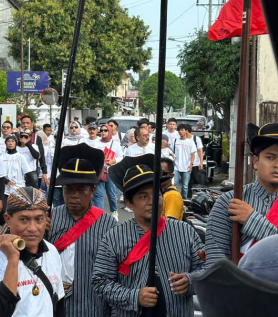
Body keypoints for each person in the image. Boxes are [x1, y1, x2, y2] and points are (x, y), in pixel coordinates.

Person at [92, 155, 205, 317]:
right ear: (130, 203)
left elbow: (207, 268)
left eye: (156, 195)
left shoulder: (185, 232)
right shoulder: (114, 237)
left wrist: (190, 280)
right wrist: (134, 296)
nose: (152, 202)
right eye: (143, 197)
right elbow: (100, 282)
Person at [0, 187, 65, 316]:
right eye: (24, 219)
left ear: (46, 219)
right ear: (7, 219)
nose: (32, 228)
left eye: (39, 219)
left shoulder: (51, 251)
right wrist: (12, 259)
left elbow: (58, 303)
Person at [49, 147, 117, 317]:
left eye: (81, 190)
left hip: (91, 303)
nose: (74, 196)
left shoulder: (107, 223)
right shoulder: (48, 219)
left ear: (93, 190)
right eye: (68, 189)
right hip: (53, 301)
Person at [205, 122, 278, 265]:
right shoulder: (230, 201)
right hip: (240, 286)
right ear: (255, 161)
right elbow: (216, 264)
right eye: (270, 157)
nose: (277, 164)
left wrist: (252, 220)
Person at [0, 135, 31, 226]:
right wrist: (6, 181)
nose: (10, 143)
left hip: (18, 188)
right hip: (5, 189)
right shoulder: (1, 156)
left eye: (12, 141)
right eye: (8, 141)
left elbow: (28, 173)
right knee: (3, 211)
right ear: (5, 143)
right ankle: (5, 227)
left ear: (16, 143)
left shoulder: (20, 157)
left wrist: (36, 187)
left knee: (17, 211)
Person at [98, 124, 123, 220]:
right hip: (100, 171)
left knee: (111, 194)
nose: (103, 132)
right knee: (98, 194)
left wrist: (114, 161)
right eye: (101, 130)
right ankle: (99, 214)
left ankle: (114, 211)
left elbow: (121, 156)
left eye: (105, 130)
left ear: (110, 132)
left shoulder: (115, 143)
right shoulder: (96, 143)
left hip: (110, 172)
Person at [20, 115, 49, 188]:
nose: (25, 125)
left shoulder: (36, 138)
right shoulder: (17, 137)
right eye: (23, 123)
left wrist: (44, 172)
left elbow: (41, 156)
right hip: (19, 171)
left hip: (32, 169)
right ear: (21, 125)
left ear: (32, 124)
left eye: (27, 123)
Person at [172, 124, 196, 199]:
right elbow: (172, 152)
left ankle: (184, 201)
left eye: (182, 130)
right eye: (179, 130)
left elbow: (193, 154)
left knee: (185, 186)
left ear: (186, 131)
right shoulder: (175, 141)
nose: (180, 132)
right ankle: (175, 199)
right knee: (174, 184)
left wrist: (191, 164)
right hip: (176, 166)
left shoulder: (190, 142)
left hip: (186, 167)